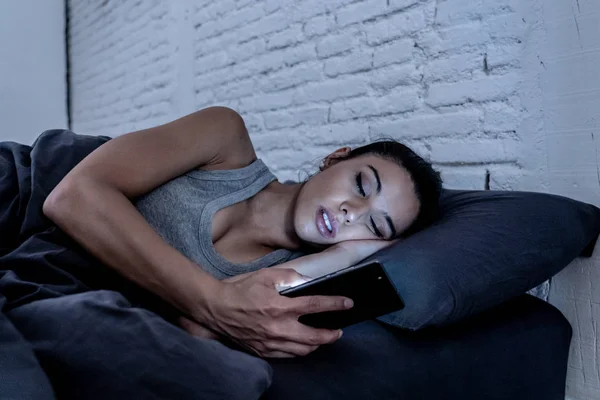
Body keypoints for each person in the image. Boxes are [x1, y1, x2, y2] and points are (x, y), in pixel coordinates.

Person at [42, 106, 443, 360]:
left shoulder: (278, 281)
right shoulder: (226, 138)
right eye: (361, 185)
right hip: (33, 203)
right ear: (335, 159)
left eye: (373, 224)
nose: (350, 213)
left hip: (68, 292)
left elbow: (195, 330)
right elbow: (72, 197)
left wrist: (347, 256)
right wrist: (212, 298)